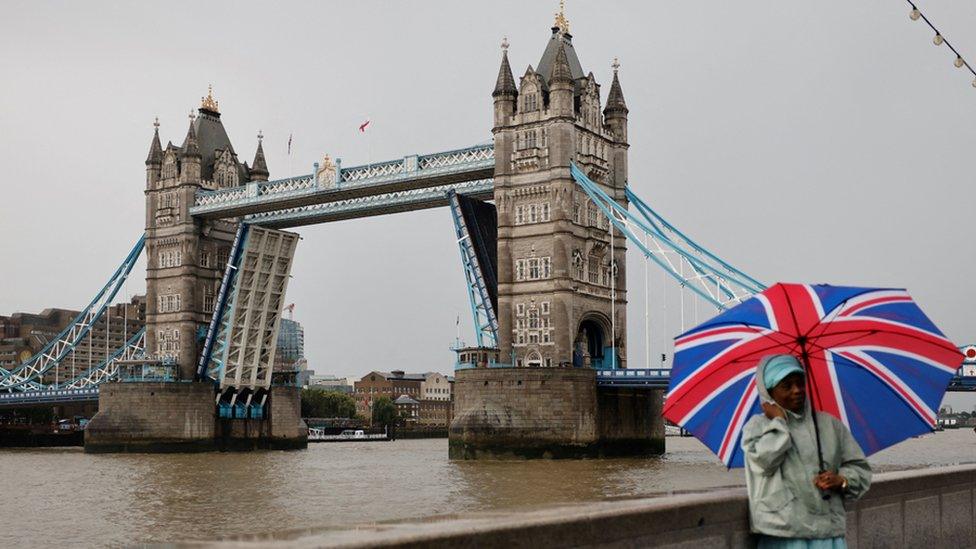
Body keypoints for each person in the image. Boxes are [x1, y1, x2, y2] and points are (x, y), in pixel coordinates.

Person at [741, 354, 872, 549]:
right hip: (782, 536)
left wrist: (842, 480)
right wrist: (779, 423)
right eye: (786, 386)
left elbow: (861, 469)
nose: (797, 391)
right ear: (769, 393)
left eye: (800, 383)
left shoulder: (830, 425)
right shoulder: (757, 428)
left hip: (829, 535)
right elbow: (763, 462)